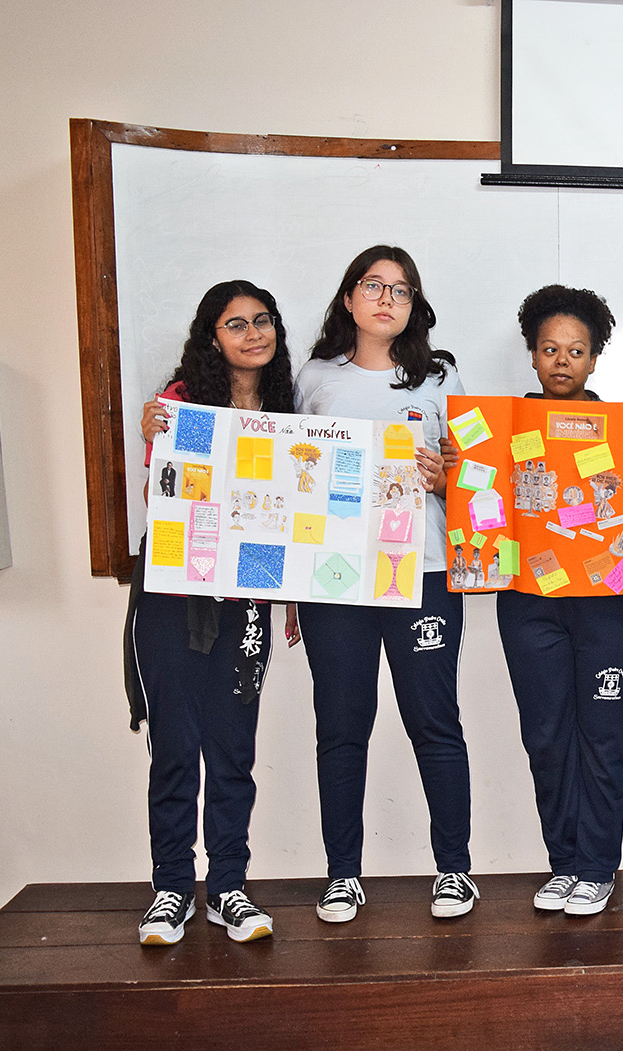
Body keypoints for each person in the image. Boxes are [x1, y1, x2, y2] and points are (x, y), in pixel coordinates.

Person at [294, 245, 476, 924]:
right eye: (373, 286)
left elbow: (476, 474)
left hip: (423, 572)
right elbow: (290, 478)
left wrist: (446, 479)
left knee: (435, 723)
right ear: (348, 298)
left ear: (414, 305)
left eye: (401, 290)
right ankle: (343, 875)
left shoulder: (441, 377)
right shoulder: (314, 377)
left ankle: (454, 870)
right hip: (335, 578)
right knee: (341, 729)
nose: (386, 299)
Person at [126, 280, 293, 945]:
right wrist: (155, 437)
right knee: (174, 748)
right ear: (212, 338)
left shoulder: (287, 411)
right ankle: (171, 888)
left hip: (247, 594)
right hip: (174, 595)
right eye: (236, 324)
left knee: (232, 749)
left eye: (263, 320)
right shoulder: (179, 403)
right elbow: (160, 495)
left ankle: (227, 888)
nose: (254, 333)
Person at [499, 285, 623, 917]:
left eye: (576, 351)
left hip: (606, 602)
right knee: (546, 736)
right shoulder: (501, 428)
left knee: (603, 735)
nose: (562, 361)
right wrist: (454, 477)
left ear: (594, 359)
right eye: (549, 349)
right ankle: (564, 863)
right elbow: (479, 500)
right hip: (529, 602)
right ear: (531, 355)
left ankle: (598, 867)